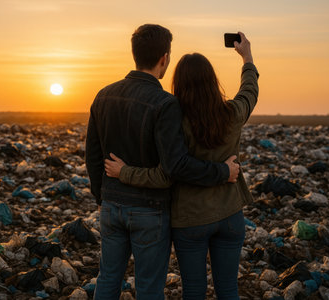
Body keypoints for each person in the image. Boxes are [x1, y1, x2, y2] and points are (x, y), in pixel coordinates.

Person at [85, 24, 241, 300]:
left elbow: (93, 155)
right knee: (148, 287)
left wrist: (102, 196)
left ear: (135, 54)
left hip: (111, 205)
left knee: (108, 277)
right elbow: (176, 166)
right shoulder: (165, 104)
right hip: (150, 210)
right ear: (164, 59)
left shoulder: (103, 95)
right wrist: (222, 172)